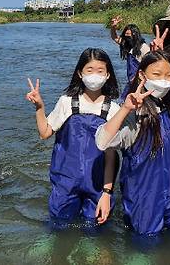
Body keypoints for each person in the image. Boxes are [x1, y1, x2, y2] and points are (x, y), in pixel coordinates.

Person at [95, 51, 170, 238]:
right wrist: (126, 109)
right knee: (144, 247)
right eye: (156, 75)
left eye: (169, 76)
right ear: (142, 75)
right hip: (144, 199)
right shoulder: (131, 112)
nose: (163, 81)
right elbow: (102, 142)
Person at [26, 48, 121, 228]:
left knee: (95, 230)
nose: (95, 75)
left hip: (97, 185)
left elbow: (111, 156)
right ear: (80, 73)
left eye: (100, 71)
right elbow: (45, 133)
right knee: (58, 226)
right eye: (89, 70)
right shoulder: (67, 102)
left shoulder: (114, 109)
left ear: (108, 75)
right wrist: (39, 107)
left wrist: (107, 192)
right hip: (65, 182)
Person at [110, 15, 150, 102]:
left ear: (135, 35)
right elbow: (115, 37)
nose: (128, 38)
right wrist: (113, 27)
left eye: (130, 35)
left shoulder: (143, 47)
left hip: (142, 82)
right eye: (126, 35)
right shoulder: (127, 45)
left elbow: (150, 65)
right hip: (131, 82)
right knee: (123, 101)